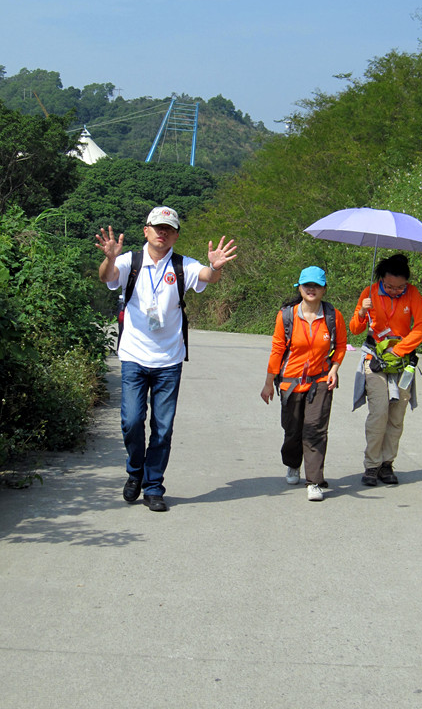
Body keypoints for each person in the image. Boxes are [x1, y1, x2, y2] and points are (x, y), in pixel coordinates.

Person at [95, 206, 237, 512]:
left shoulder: (182, 265)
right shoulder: (128, 260)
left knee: (162, 426)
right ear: (146, 230)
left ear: (175, 235)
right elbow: (108, 276)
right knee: (131, 421)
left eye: (169, 229)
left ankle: (154, 486)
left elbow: (207, 277)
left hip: (169, 360)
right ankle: (135, 472)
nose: (163, 232)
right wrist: (108, 257)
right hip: (134, 355)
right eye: (157, 227)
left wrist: (216, 267)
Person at [260, 266, 347, 502]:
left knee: (315, 429)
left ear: (324, 289)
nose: (311, 289)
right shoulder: (287, 316)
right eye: (307, 285)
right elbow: (278, 349)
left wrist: (335, 369)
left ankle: (314, 481)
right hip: (290, 383)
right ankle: (292, 464)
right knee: (292, 430)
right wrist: (269, 383)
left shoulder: (332, 316)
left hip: (320, 380)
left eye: (317, 285)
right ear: (299, 287)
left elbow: (340, 346)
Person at [349, 253, 422, 486]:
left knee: (397, 415)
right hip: (374, 359)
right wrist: (363, 311)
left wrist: (401, 349)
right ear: (382, 278)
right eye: (390, 286)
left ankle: (387, 464)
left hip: (402, 362)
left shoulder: (412, 293)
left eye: (400, 287)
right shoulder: (369, 292)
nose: (395, 291)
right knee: (379, 411)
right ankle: (372, 465)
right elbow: (355, 329)